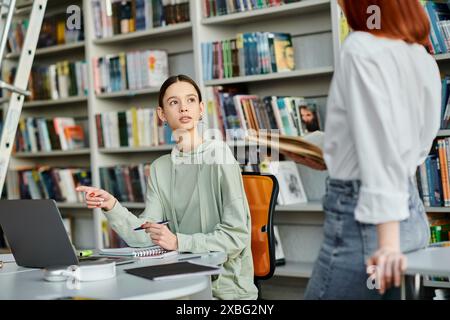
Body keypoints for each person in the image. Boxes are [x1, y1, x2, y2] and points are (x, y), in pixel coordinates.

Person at [284, 0, 441, 299]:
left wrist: (387, 244)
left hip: (368, 224)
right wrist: (333, 154)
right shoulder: (421, 57)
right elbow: (408, 147)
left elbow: (382, 149)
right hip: (411, 216)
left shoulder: (361, 47)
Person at [76, 74, 258, 300]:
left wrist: (177, 242)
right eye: (174, 102)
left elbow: (236, 238)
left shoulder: (220, 157)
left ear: (201, 109)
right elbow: (147, 237)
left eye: (191, 100)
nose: (184, 108)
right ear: (162, 114)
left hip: (222, 291)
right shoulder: (160, 168)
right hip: (175, 282)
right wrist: (112, 205)